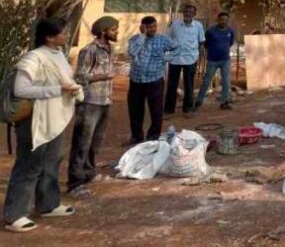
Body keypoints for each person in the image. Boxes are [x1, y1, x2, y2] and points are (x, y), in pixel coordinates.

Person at [4, 18, 82, 233]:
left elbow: (64, 82)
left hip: (55, 119)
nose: (67, 35)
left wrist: (72, 89)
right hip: (35, 120)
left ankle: (48, 204)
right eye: (63, 33)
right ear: (49, 37)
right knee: (29, 166)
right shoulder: (34, 58)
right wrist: (57, 90)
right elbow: (21, 90)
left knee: (51, 162)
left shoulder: (59, 56)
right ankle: (14, 214)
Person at [67, 16, 119, 197]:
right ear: (104, 32)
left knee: (95, 142)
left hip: (104, 101)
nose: (117, 32)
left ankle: (88, 173)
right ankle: (75, 182)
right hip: (89, 102)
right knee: (82, 142)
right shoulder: (89, 50)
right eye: (113, 29)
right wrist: (104, 76)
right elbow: (80, 77)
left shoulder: (109, 49)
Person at [127, 16, 176, 144]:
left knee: (156, 111)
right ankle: (136, 136)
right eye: (148, 27)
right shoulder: (135, 40)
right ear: (142, 27)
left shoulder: (163, 39)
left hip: (155, 80)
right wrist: (142, 36)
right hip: (136, 81)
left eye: (154, 26)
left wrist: (167, 57)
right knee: (135, 111)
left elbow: (177, 48)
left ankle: (153, 137)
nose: (152, 29)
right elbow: (132, 52)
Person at [165, 4, 205, 116]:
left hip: (190, 59)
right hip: (175, 58)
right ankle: (169, 109)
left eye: (191, 12)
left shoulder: (198, 26)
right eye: (186, 11)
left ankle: (187, 108)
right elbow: (168, 39)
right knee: (172, 84)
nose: (188, 14)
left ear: (194, 14)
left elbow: (201, 41)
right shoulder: (175, 25)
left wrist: (201, 55)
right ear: (183, 12)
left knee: (189, 85)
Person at [195, 12, 235, 111]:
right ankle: (199, 101)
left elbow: (230, 43)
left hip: (225, 60)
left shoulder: (230, 31)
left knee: (226, 81)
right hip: (212, 60)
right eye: (222, 19)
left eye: (226, 20)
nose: (224, 21)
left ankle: (224, 102)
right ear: (218, 20)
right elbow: (206, 44)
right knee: (207, 81)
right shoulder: (210, 31)